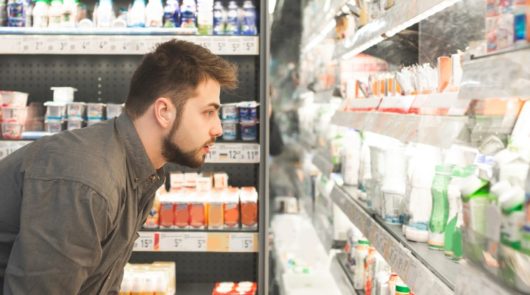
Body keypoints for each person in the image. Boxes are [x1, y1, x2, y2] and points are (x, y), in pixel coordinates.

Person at [0, 40, 238, 294]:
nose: (219, 129)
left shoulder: (139, 173)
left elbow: (98, 284)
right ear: (164, 111)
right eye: (208, 112)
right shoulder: (88, 183)